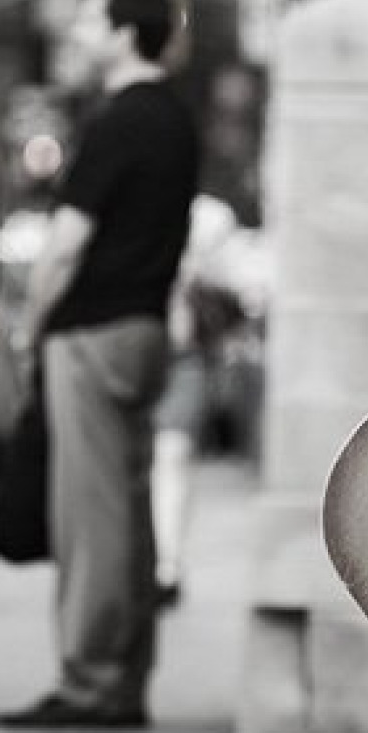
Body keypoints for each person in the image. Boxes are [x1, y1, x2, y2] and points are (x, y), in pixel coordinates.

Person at [0, 0, 199, 729]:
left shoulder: (119, 121)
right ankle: (124, 677)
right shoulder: (174, 119)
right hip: (144, 329)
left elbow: (63, 248)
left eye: (87, 21)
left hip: (93, 333)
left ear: (121, 31)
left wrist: (28, 324)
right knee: (130, 510)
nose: (77, 35)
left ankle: (89, 682)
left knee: (92, 518)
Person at [151, 190, 244, 607]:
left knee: (172, 457)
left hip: (186, 362)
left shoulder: (209, 219)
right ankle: (148, 558)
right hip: (144, 357)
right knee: (147, 464)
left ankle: (167, 562)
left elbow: (234, 295)